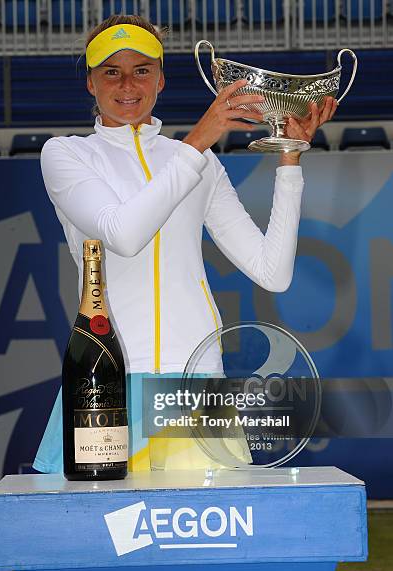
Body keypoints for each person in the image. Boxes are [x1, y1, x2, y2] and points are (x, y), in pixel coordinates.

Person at [33, 14, 337, 475]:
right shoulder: (66, 153)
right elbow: (122, 234)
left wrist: (289, 160)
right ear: (91, 83)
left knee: (209, 546)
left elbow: (272, 272)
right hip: (107, 381)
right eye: (111, 71)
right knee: (98, 543)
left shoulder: (197, 162)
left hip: (197, 383)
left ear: (161, 79)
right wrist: (197, 143)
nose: (128, 84)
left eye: (142, 70)